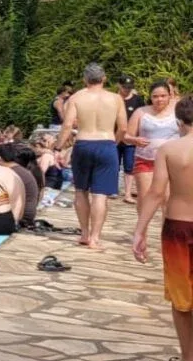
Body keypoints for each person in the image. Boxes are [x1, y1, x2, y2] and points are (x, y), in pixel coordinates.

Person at [131, 95, 193, 361]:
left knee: (182, 296)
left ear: (179, 122)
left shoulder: (169, 149)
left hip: (178, 226)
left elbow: (156, 193)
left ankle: (189, 360)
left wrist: (140, 230)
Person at [60, 63, 129, 250]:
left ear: (85, 79)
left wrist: (58, 146)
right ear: (104, 78)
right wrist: (114, 143)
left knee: (81, 190)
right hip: (106, 143)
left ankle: (84, 233)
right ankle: (95, 238)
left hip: (83, 143)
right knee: (100, 194)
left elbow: (68, 125)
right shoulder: (115, 98)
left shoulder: (76, 97)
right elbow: (123, 128)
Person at [126, 81, 179, 211]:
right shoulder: (141, 112)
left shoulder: (178, 111)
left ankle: (166, 225)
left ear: (169, 95)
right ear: (150, 97)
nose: (159, 99)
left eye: (163, 96)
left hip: (170, 162)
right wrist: (135, 140)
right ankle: (142, 225)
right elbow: (126, 136)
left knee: (167, 199)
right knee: (145, 198)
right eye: (155, 96)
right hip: (145, 160)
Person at [118, 76, 147, 204]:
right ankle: (112, 190)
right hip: (115, 136)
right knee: (114, 164)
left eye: (129, 87)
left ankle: (128, 193)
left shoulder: (138, 100)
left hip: (131, 138)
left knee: (129, 166)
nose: (127, 90)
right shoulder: (114, 99)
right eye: (125, 87)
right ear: (119, 86)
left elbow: (143, 117)